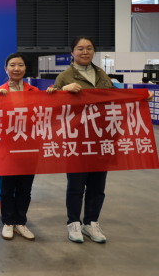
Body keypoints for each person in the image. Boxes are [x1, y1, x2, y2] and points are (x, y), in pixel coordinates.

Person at [47, 36, 115, 244]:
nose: (85, 52)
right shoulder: (65, 77)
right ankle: (74, 223)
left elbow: (117, 101)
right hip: (76, 140)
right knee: (76, 185)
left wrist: (141, 97)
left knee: (97, 185)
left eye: (89, 48)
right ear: (72, 52)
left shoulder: (102, 75)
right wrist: (62, 91)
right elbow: (53, 107)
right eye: (80, 48)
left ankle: (91, 223)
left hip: (100, 139)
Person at [0, 53, 38, 241]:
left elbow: (44, 114)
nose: (16, 68)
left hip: (29, 148)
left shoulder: (34, 91)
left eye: (20, 65)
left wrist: (53, 95)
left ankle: (21, 222)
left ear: (25, 68)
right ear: (6, 69)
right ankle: (8, 222)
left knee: (25, 189)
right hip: (7, 149)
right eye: (12, 65)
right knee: (7, 189)